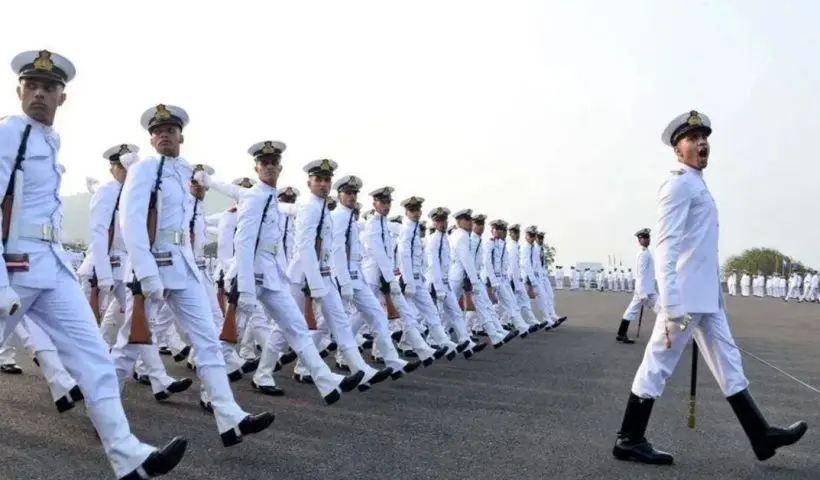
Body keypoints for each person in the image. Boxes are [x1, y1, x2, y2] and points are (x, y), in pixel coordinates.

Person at [0, 49, 186, 479]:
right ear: (19, 91)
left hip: (50, 266)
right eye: (33, 87)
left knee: (95, 359)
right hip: (15, 266)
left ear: (62, 97)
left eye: (49, 88)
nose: (40, 95)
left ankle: (129, 457)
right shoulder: (10, 133)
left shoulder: (48, 139)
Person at [612, 110, 807, 465]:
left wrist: (716, 298)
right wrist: (670, 305)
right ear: (677, 150)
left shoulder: (698, 183)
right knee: (658, 364)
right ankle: (629, 438)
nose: (702, 144)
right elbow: (666, 246)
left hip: (706, 301)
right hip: (684, 302)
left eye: (705, 138)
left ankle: (761, 436)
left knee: (729, 362)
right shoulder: (677, 184)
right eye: (693, 139)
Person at [615, 228, 655, 344]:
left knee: (631, 310)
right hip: (645, 291)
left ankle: (621, 334)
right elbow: (640, 274)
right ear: (639, 240)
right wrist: (642, 292)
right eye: (644, 238)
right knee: (663, 309)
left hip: (647, 290)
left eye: (648, 237)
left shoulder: (647, 253)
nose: (647, 240)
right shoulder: (643, 254)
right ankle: (682, 329)